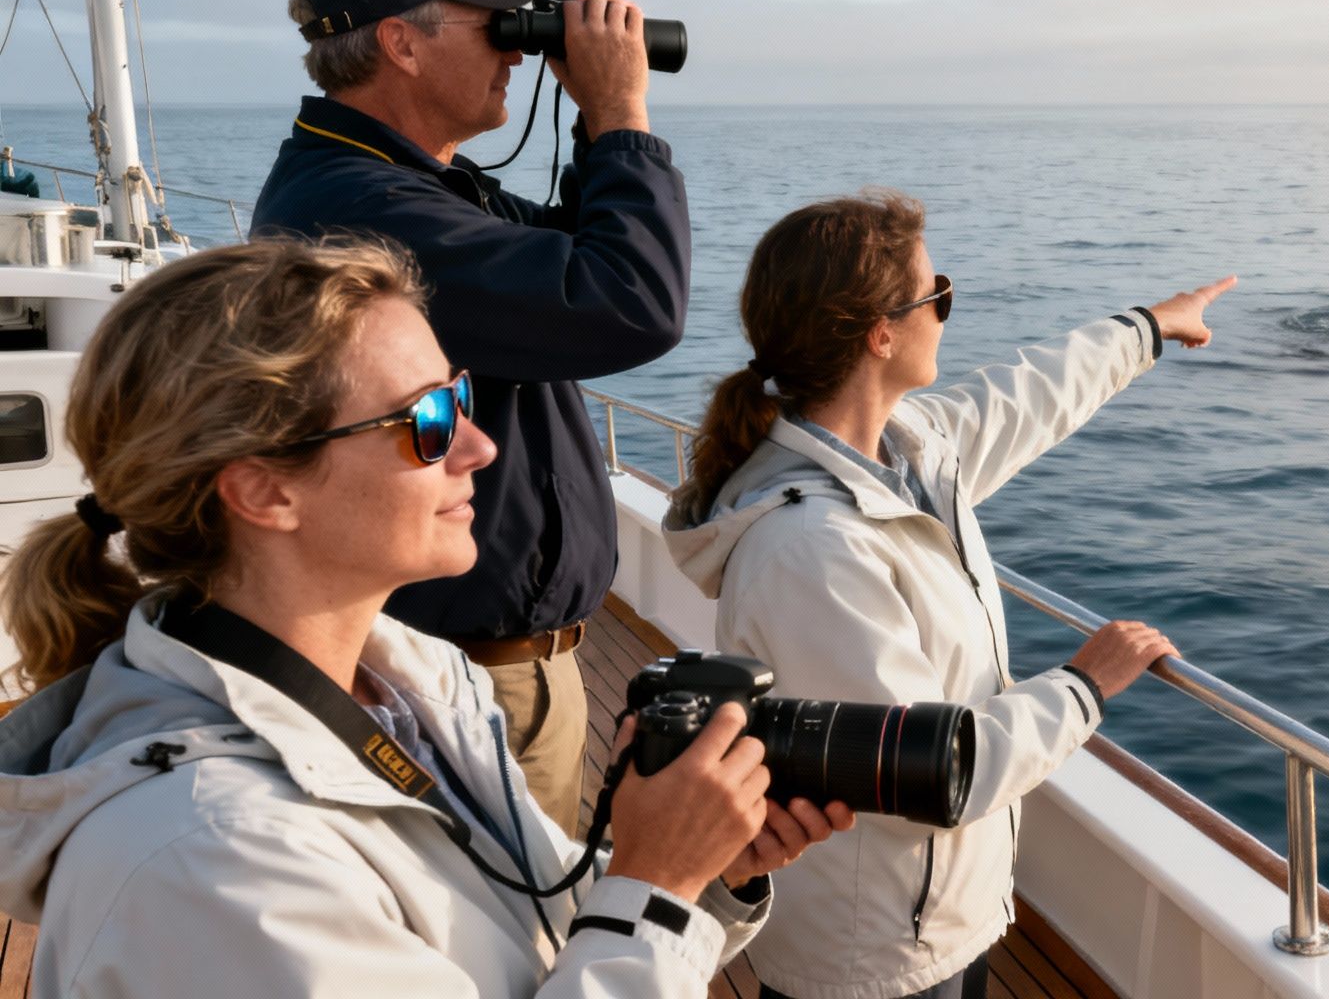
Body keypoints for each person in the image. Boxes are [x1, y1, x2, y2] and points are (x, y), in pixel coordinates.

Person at [0, 239, 851, 997]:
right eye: (428, 422)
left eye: (460, 395)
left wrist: (697, 872)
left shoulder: (411, 682)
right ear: (264, 488)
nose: (480, 446)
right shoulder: (207, 860)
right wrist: (657, 889)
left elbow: (527, 926)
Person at [665, 190, 1234, 999]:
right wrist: (1084, 686)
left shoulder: (908, 446)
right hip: (871, 958)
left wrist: (1149, 326)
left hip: (935, 920)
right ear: (881, 333)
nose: (947, 310)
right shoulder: (810, 549)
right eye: (940, 295)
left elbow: (1025, 394)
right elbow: (928, 778)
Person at [251, 0, 689, 831]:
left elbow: (579, 261)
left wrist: (597, 125)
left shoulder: (414, 186)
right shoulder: (363, 205)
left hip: (493, 667)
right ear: (403, 43)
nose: (517, 49)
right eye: (491, 21)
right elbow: (629, 302)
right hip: (465, 678)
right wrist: (619, 117)